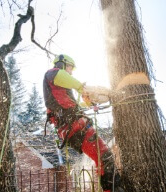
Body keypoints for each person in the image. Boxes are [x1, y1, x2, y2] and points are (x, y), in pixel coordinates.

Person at [43, 54, 123, 192]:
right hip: (74, 127)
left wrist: (87, 103)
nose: (71, 71)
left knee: (103, 158)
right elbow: (65, 78)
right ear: (62, 64)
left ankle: (111, 188)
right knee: (105, 157)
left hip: (74, 126)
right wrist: (83, 88)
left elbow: (73, 106)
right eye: (70, 67)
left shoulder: (61, 91)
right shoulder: (52, 74)